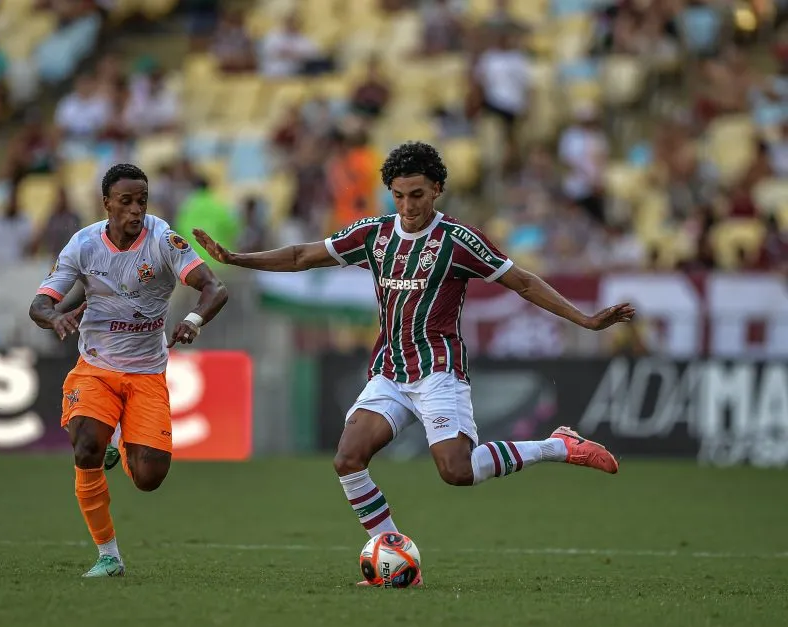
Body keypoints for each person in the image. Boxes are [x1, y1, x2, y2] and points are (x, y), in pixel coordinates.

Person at [193, 142, 635, 586]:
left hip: (438, 371)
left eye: (417, 195)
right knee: (348, 459)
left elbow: (522, 282)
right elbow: (301, 256)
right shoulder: (374, 233)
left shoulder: (459, 241)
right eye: (399, 196)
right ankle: (395, 558)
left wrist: (584, 319)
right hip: (389, 372)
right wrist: (236, 259)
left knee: (457, 472)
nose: (407, 207)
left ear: (437, 190)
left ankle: (557, 446)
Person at [28, 163, 228, 579]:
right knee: (86, 446)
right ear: (107, 204)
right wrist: (55, 317)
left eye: (142, 201)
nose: (136, 210)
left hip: (147, 372)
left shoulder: (163, 240)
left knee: (148, 477)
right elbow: (40, 304)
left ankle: (118, 438)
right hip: (96, 367)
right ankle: (109, 556)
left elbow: (214, 287)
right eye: (126, 202)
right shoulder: (84, 244)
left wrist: (193, 321)